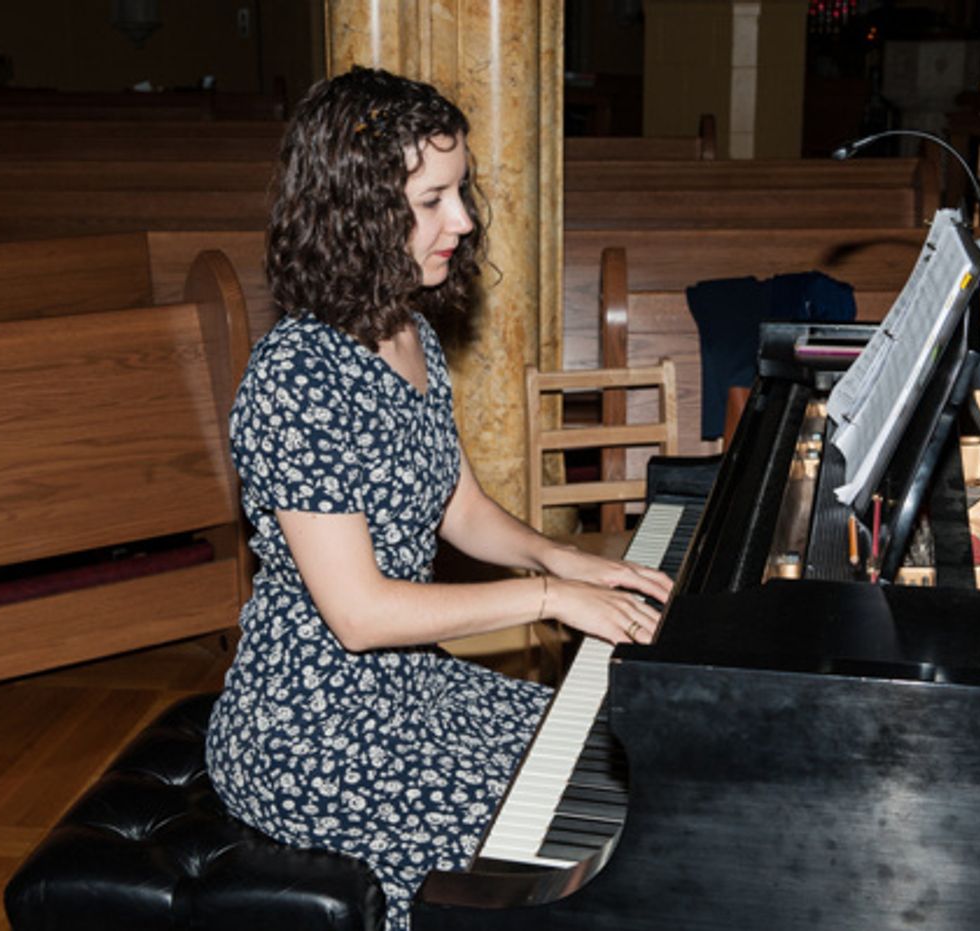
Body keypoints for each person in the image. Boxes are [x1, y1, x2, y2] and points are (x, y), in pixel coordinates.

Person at [205, 65, 673, 930]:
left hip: (408, 687)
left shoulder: (408, 328)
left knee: (619, 759)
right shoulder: (296, 377)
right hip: (311, 728)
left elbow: (459, 508)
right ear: (356, 212)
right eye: (433, 199)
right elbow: (360, 613)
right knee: (522, 853)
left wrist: (564, 557)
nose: (461, 220)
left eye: (460, 192)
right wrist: (546, 597)